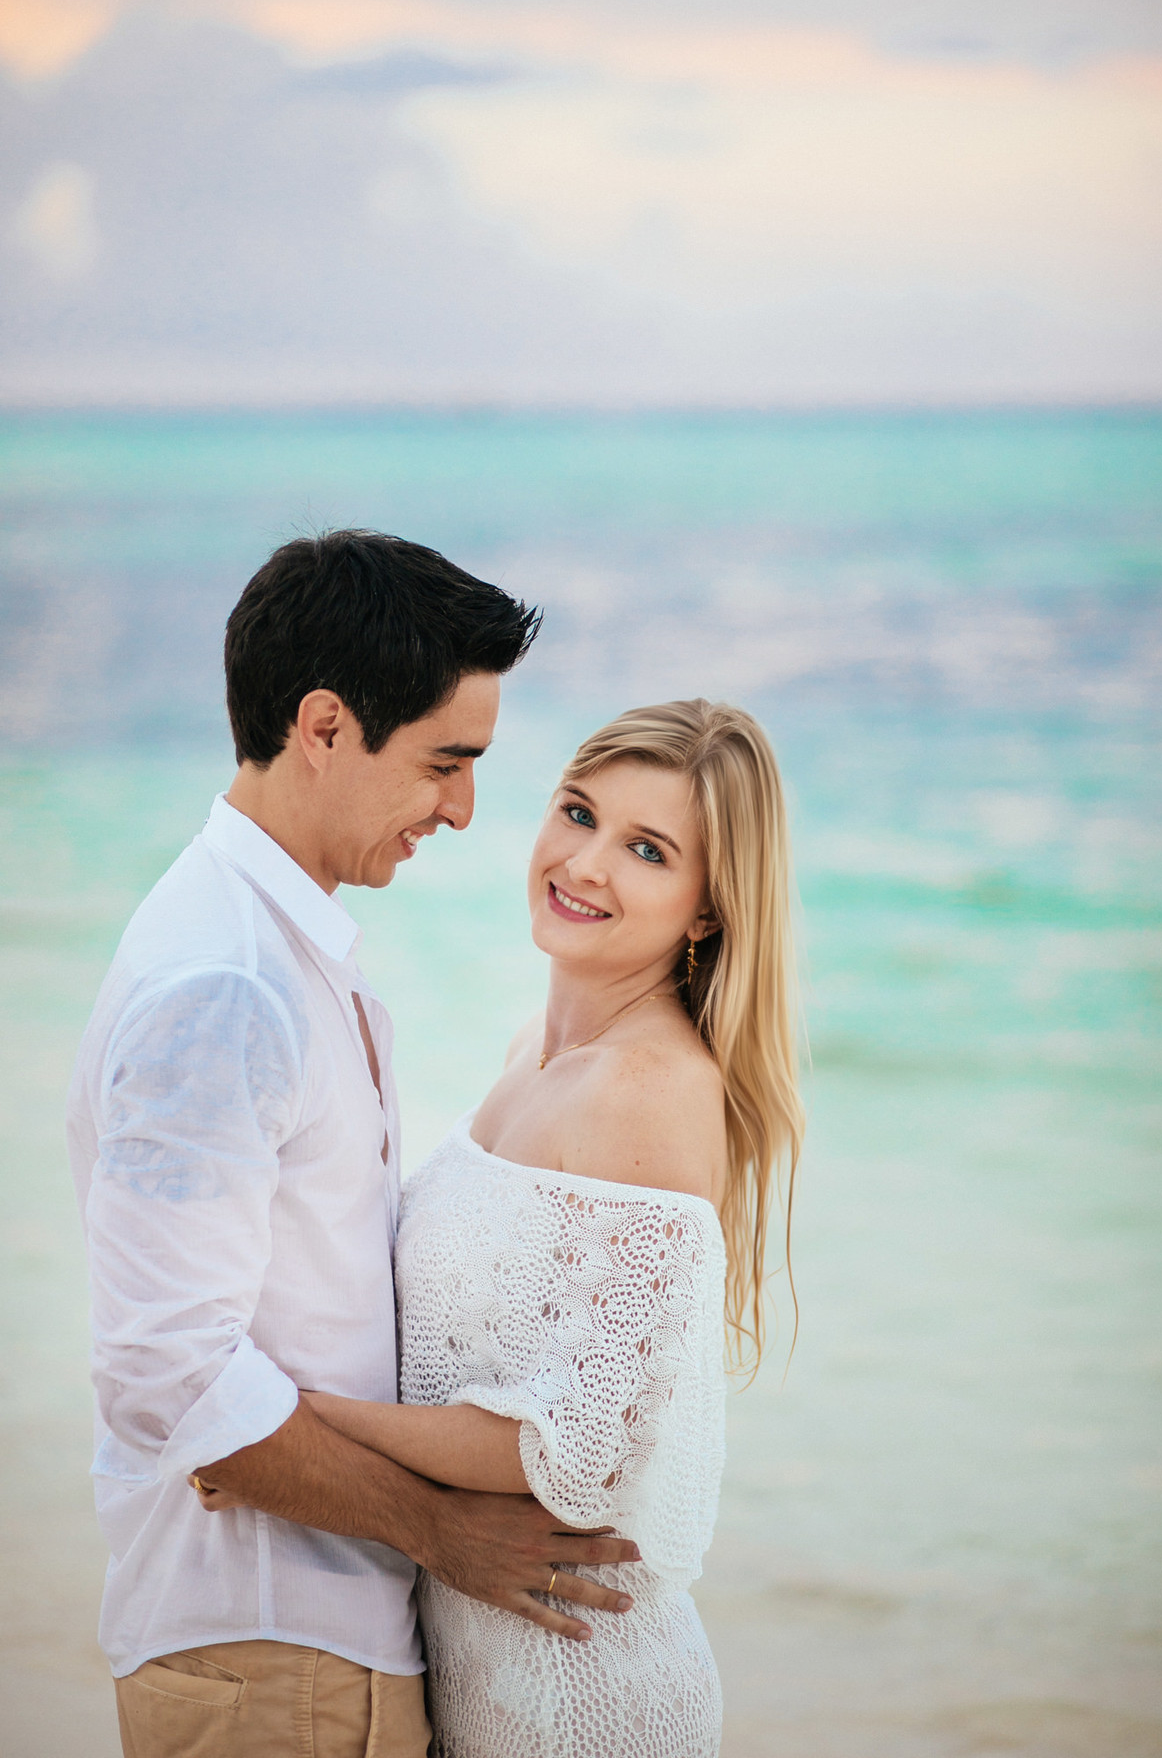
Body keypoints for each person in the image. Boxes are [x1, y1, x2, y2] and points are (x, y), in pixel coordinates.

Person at [66, 530, 641, 1758]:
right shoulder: (227, 987)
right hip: (272, 1653)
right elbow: (167, 1371)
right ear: (323, 727)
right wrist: (440, 1530)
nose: (464, 810)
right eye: (445, 763)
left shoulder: (272, 946)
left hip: (301, 1651)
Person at [294, 698, 806, 1757]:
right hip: (479, 1671)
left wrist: (294, 1420)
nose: (586, 865)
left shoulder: (647, 1091)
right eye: (579, 813)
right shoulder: (535, 1047)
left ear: (708, 911)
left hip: (583, 1696)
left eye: (648, 851)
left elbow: (573, 1450)